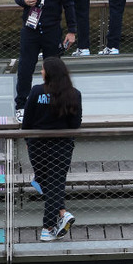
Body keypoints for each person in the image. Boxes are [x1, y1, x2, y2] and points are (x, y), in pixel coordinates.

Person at [13, 0, 77, 122]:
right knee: (25, 68)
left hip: (51, 30)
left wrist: (72, 31)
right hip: (30, 29)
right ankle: (21, 105)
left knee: (54, 69)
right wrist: (24, 1)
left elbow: (69, 4)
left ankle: (55, 104)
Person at [22, 57, 82, 241]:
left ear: (49, 72)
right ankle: (62, 214)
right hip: (62, 145)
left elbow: (27, 121)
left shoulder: (36, 91)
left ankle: (48, 227)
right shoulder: (74, 94)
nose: (41, 72)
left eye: (42, 69)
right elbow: (75, 123)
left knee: (43, 181)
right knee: (54, 183)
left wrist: (27, 139)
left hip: (37, 145)